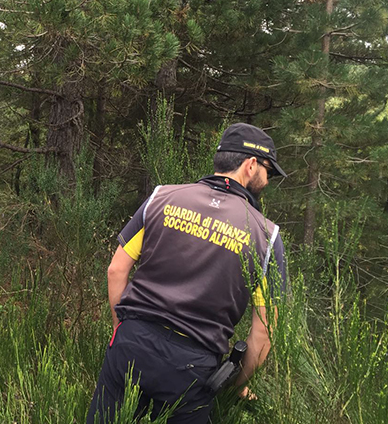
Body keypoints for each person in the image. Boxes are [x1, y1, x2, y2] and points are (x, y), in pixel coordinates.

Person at [88, 123, 288, 424]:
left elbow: (116, 269)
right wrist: (233, 385)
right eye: (268, 171)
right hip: (192, 368)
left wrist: (121, 331)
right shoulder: (266, 237)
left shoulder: (161, 198)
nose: (268, 180)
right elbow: (264, 330)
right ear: (250, 165)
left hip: (131, 345)